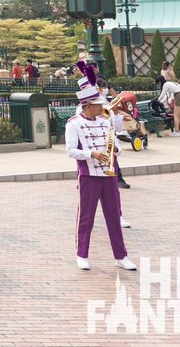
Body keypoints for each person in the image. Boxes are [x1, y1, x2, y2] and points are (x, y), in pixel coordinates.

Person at [65, 74, 136, 272]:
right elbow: (70, 151)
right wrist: (92, 154)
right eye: (97, 104)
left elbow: (117, 144)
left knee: (113, 216)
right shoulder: (73, 124)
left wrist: (115, 151)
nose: (101, 107)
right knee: (86, 217)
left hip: (109, 174)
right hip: (88, 175)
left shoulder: (105, 122)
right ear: (87, 105)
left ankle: (121, 256)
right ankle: (82, 254)